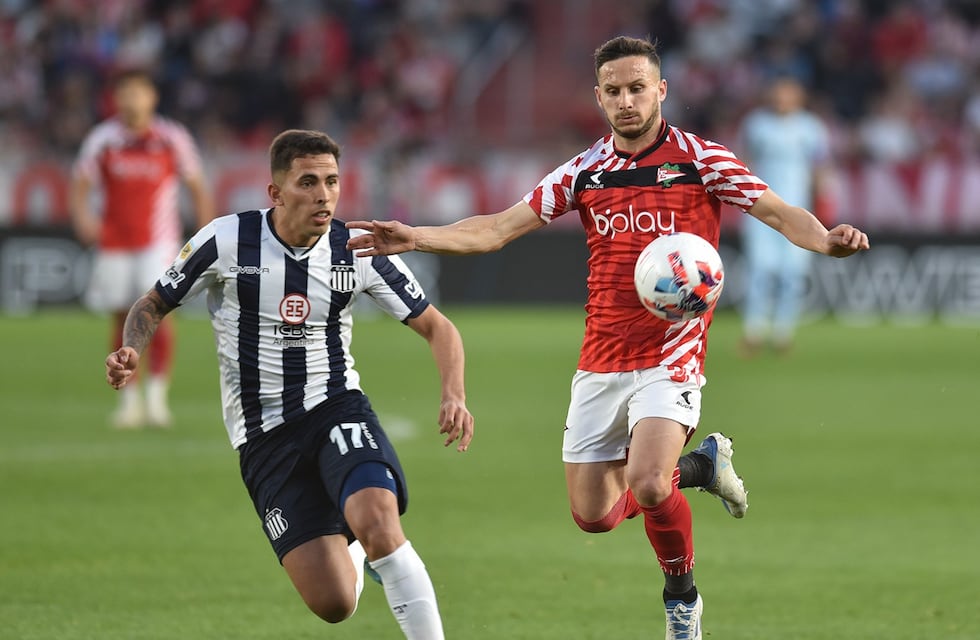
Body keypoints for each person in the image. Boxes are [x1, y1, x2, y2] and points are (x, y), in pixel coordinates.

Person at [347, 36, 870, 640]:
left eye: (637, 88)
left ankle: (682, 601)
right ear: (598, 97)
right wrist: (416, 237)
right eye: (614, 91)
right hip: (601, 360)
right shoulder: (586, 171)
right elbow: (496, 228)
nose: (626, 101)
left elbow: (778, 211)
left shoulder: (701, 159)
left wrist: (827, 239)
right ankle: (701, 467)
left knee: (648, 483)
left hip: (671, 355)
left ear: (661, 90)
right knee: (593, 517)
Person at [105, 129, 473, 639]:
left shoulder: (357, 248)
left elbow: (439, 327)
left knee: (380, 522)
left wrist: (453, 393)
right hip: (263, 436)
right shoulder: (226, 240)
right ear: (275, 192)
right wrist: (131, 348)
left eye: (332, 181)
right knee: (334, 602)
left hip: (335, 406)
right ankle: (352, 544)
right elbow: (153, 302)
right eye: (308, 182)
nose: (323, 194)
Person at [72, 68, 214, 428]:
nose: (132, 99)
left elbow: (196, 184)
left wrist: (205, 233)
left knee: (159, 313)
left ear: (152, 97)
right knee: (121, 316)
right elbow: (80, 183)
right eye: (125, 92)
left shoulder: (171, 138)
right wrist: (83, 219)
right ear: (115, 98)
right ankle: (129, 398)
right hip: (114, 242)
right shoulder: (103, 139)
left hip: (159, 242)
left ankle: (156, 397)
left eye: (139, 92)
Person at [737, 76, 833, 356]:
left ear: (798, 98)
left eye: (788, 95)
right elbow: (743, 163)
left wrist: (824, 202)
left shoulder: (811, 128)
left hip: (798, 211)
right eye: (778, 95)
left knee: (792, 273)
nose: (782, 101)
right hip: (760, 210)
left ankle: (782, 333)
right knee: (760, 270)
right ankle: (753, 331)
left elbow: (820, 168)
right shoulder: (756, 125)